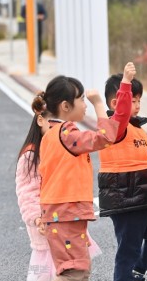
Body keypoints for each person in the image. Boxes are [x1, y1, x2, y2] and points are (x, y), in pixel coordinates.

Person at [38, 63, 134, 281]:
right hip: (66, 212)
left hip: (58, 211)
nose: (85, 104)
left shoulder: (50, 134)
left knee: (73, 268)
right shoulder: (66, 132)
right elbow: (105, 137)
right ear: (65, 106)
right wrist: (99, 104)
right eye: (81, 99)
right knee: (75, 270)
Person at [99, 73, 147, 281]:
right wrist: (126, 81)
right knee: (128, 250)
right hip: (125, 199)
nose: (137, 105)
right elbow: (121, 113)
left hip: (140, 198)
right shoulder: (114, 128)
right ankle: (126, 276)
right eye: (133, 101)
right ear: (117, 103)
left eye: (139, 101)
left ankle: (136, 272)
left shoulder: (136, 129)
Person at [15, 97, 101, 281]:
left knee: (74, 271)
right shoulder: (31, 155)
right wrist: (36, 217)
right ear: (40, 120)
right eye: (52, 121)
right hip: (45, 227)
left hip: (66, 220)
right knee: (49, 274)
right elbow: (27, 192)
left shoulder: (63, 145)